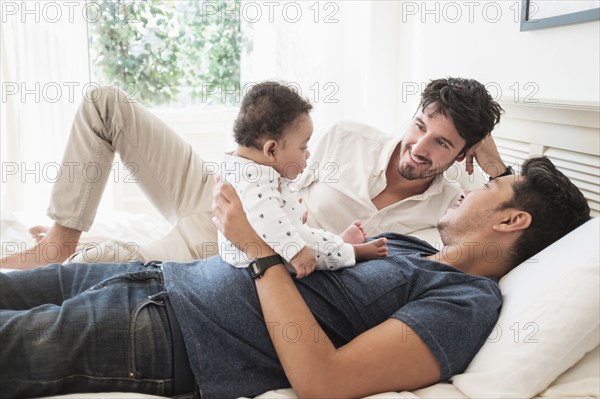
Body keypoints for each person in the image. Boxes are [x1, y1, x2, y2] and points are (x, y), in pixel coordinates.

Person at [0, 157, 591, 399]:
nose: (468, 188)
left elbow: (322, 379)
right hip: (152, 279)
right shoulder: (411, 246)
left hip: (169, 336)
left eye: (487, 187)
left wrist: (258, 252)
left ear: (514, 220)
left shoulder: (466, 303)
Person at [1, 77, 504, 269]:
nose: (417, 148)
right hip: (220, 189)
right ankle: (63, 242)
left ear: (462, 152)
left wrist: (496, 163)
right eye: (419, 126)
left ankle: (85, 253)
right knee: (105, 104)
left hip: (245, 244)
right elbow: (277, 166)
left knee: (120, 264)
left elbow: (538, 217)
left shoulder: (452, 207)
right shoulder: (350, 136)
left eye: (441, 143)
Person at [219, 81, 388, 278]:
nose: (307, 154)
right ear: (271, 150)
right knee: (306, 241)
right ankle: (354, 252)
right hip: (257, 257)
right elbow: (267, 219)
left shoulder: (240, 164)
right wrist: (297, 252)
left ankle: (337, 243)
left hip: (262, 244)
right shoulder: (254, 176)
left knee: (308, 236)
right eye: (303, 148)